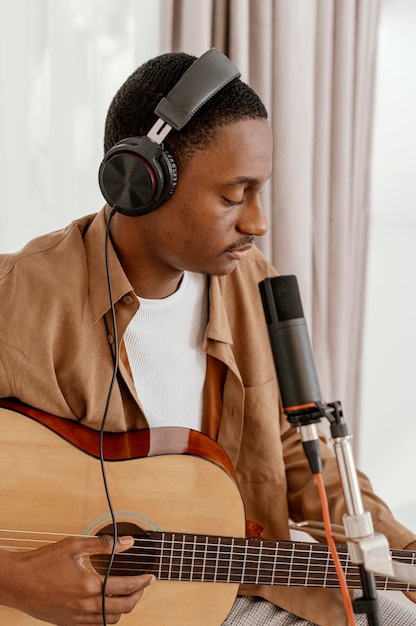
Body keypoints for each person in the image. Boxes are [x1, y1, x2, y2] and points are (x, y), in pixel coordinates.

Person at [0, 49, 415, 626]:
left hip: (230, 586)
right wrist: (13, 579)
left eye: (260, 191)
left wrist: (402, 550)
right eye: (233, 195)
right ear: (140, 183)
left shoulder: (255, 285)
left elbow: (300, 452)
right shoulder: (18, 296)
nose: (258, 223)